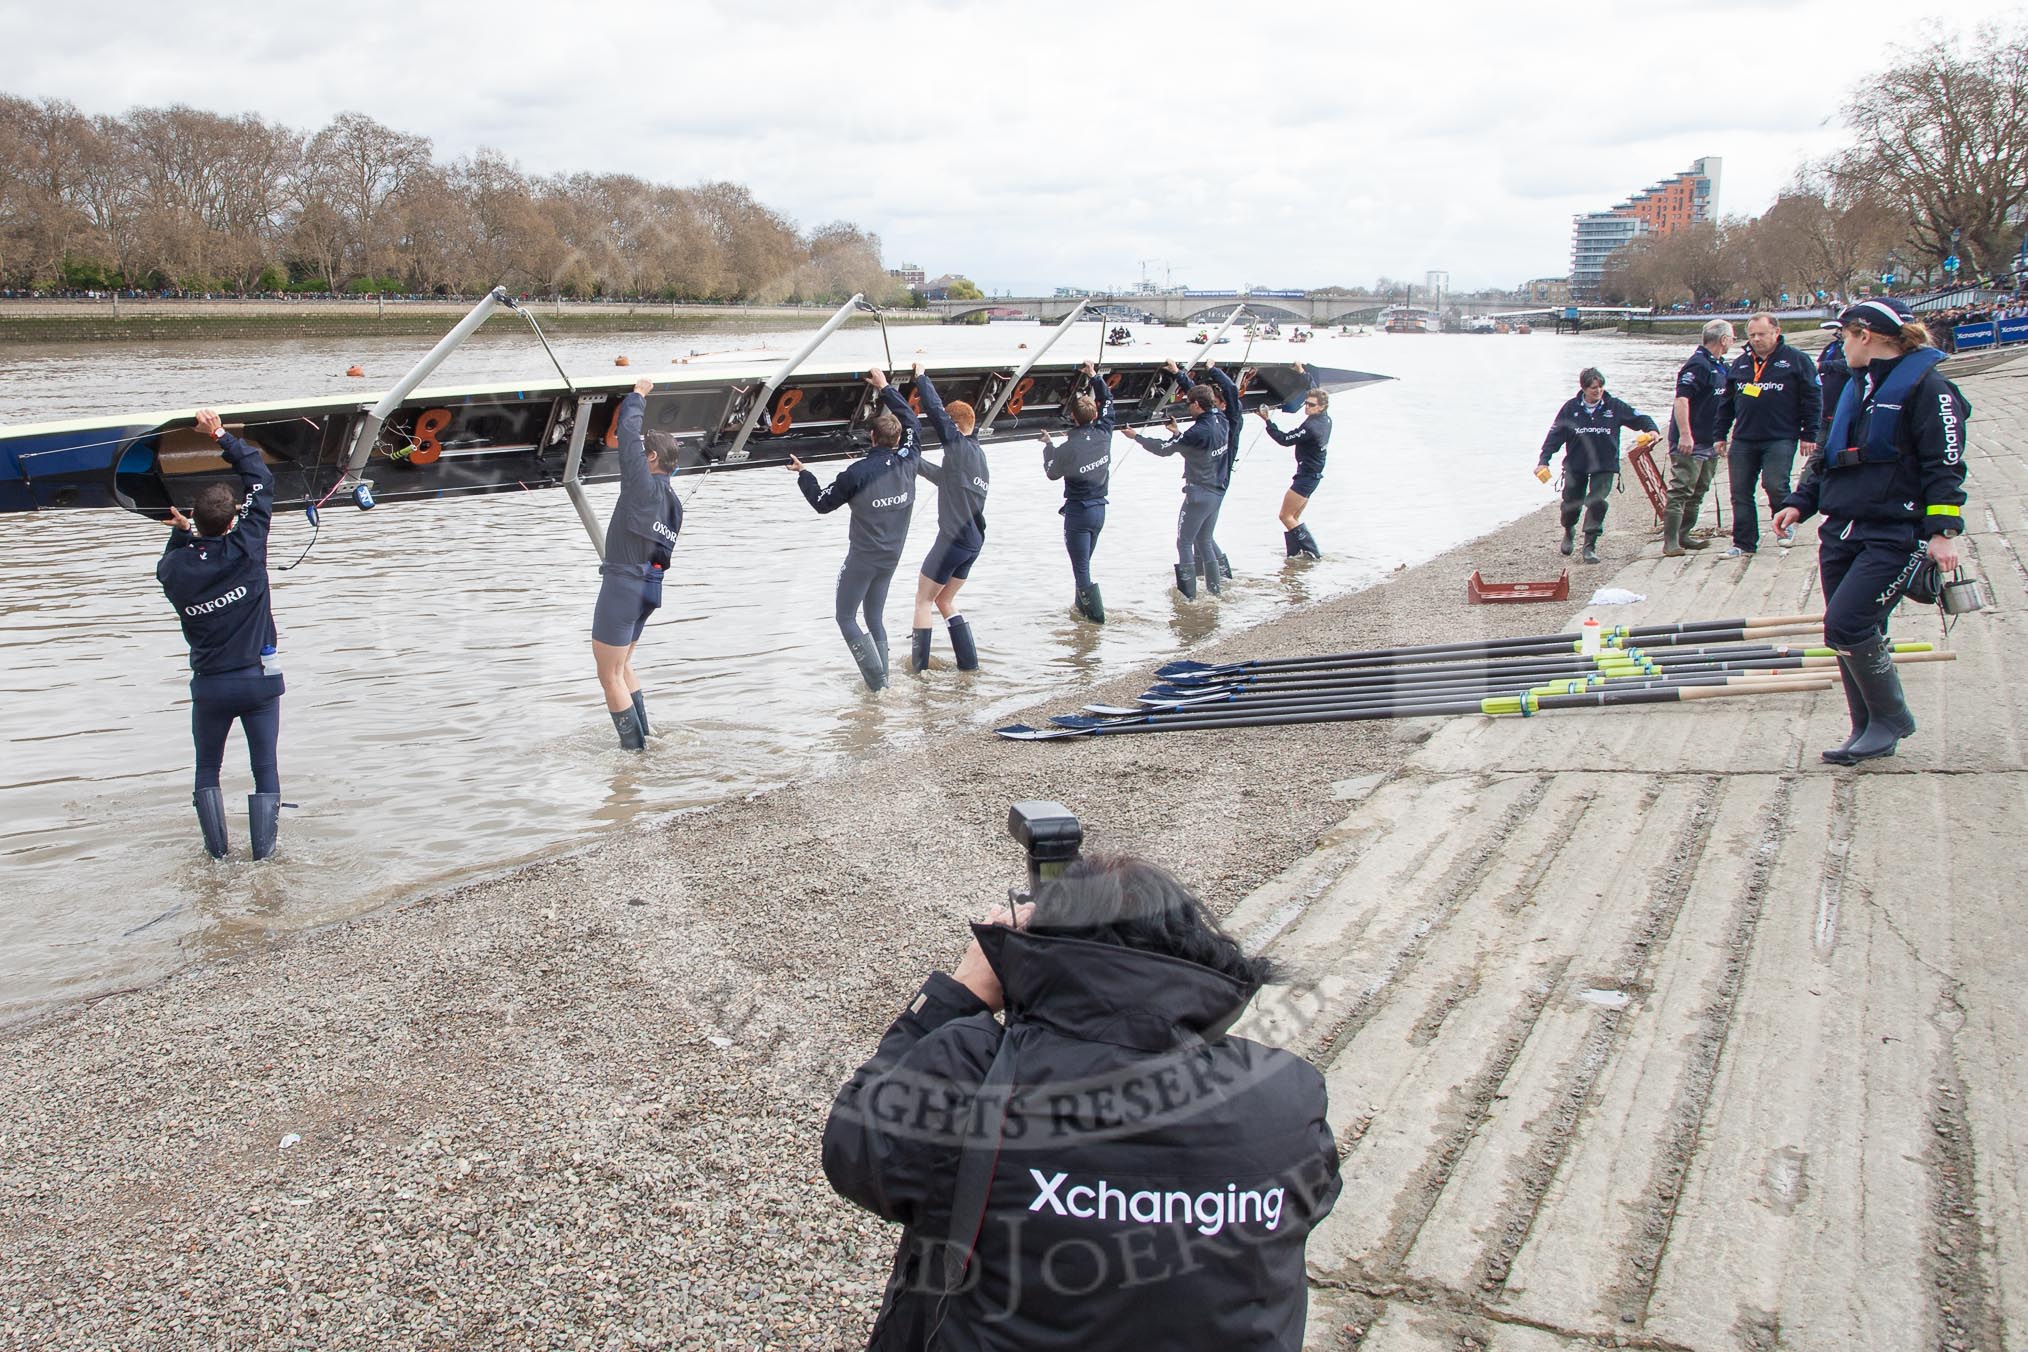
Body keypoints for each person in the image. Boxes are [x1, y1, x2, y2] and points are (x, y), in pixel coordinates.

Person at [823, 854, 1342, 1350]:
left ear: (1040, 955)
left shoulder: (976, 1071)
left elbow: (855, 1147)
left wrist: (962, 991)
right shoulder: (1287, 1095)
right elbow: (1313, 1199)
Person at [1771, 298, 1969, 765]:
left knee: (1848, 623)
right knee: (1848, 630)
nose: (1839, 344)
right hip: (1843, 529)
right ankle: (1865, 725)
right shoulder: (1856, 386)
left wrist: (1943, 531)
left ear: (1866, 335)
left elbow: (1945, 464)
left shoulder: (1928, 389)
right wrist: (1801, 502)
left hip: (1893, 533)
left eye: (1843, 335)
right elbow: (1829, 454)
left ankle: (1891, 718)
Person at [157, 408, 285, 859]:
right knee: (264, 769)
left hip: (210, 687)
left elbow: (176, 562)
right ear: (233, 520)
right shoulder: (248, 547)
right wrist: (218, 434)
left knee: (208, 769)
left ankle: (216, 858)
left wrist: (181, 535)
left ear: (193, 515)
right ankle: (265, 858)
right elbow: (260, 480)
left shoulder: (174, 569)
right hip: (259, 683)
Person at [788, 370, 918, 690]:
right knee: (874, 618)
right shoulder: (910, 458)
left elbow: (821, 503)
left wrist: (804, 473)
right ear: (897, 440)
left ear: (872, 438)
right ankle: (884, 680)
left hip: (863, 559)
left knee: (845, 617)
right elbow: (913, 422)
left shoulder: (856, 473)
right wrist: (886, 388)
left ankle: (878, 687)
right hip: (892, 556)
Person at [593, 377, 684, 750]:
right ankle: (646, 737)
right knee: (624, 665)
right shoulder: (674, 503)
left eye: (644, 452)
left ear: (651, 459)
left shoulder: (641, 485)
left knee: (608, 674)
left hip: (623, 585)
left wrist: (637, 396)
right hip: (651, 589)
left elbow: (627, 436)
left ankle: (634, 756)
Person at [899, 364, 989, 674]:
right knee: (945, 601)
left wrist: (921, 377)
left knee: (923, 600)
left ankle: (919, 672)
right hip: (973, 543)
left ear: (956, 425)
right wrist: (912, 460)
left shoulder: (959, 446)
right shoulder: (977, 455)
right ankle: (969, 666)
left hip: (953, 540)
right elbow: (944, 478)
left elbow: (936, 413)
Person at [1714, 314, 1820, 557]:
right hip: (1744, 437)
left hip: (1780, 436)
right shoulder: (1740, 364)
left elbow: (1813, 398)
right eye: (1752, 335)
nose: (1756, 339)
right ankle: (1743, 542)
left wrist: (1809, 433)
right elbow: (1726, 403)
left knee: (1774, 484)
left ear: (1776, 332)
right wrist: (1720, 434)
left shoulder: (1797, 361)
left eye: (1761, 334)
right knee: (1740, 491)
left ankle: (1783, 527)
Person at [1534, 367, 1659, 565]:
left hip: (1605, 464)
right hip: (1576, 464)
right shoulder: (1570, 408)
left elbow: (1640, 418)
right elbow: (1554, 436)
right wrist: (1544, 460)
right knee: (1570, 503)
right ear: (1583, 388)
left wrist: (1651, 430)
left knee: (1597, 501)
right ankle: (1568, 529)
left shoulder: (1614, 406)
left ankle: (1590, 545)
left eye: (1601, 387)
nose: (1598, 391)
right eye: (1593, 388)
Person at [1122, 380, 1229, 599]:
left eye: (1189, 403)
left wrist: (1137, 437)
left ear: (1198, 405)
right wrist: (1177, 433)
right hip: (1217, 491)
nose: (1187, 407)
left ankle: (1188, 597)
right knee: (1205, 540)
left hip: (1198, 493)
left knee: (1184, 542)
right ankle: (1215, 592)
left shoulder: (1197, 432)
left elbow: (1164, 450)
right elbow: (1194, 448)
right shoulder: (1221, 419)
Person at [1037, 361, 1116, 623]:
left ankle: (1096, 620)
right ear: (1094, 416)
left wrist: (1048, 446)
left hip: (1078, 514)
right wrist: (1094, 376)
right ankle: (1081, 615)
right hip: (1100, 511)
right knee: (1084, 566)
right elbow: (1108, 400)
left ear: (1073, 417)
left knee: (1081, 569)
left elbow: (1051, 472)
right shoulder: (1105, 432)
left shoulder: (1068, 449)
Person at [1663, 319, 1734, 556]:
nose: (1733, 342)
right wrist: (1685, 434)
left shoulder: (1721, 366)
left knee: (1699, 489)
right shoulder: (1698, 365)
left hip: (1711, 439)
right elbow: (1681, 399)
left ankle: (1685, 534)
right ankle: (1670, 541)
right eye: (1732, 338)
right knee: (1681, 488)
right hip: (1690, 440)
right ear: (1723, 340)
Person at [1257, 362, 1332, 558]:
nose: (1306, 407)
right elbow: (1313, 388)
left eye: (1311, 405)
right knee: (1295, 517)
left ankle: (1313, 554)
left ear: (1322, 406)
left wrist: (1267, 421)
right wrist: (1301, 372)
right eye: (1306, 403)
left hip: (1306, 477)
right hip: (1312, 475)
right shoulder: (1325, 419)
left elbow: (1284, 440)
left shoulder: (1311, 428)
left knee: (1285, 516)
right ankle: (1295, 555)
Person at [1817, 320, 1851, 420]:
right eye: (1837, 329)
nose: (1838, 332)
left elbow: (1847, 364)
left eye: (1841, 329)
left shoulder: (1851, 348)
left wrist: (1822, 366)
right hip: (1824, 408)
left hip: (1840, 408)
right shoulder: (1831, 346)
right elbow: (1817, 365)